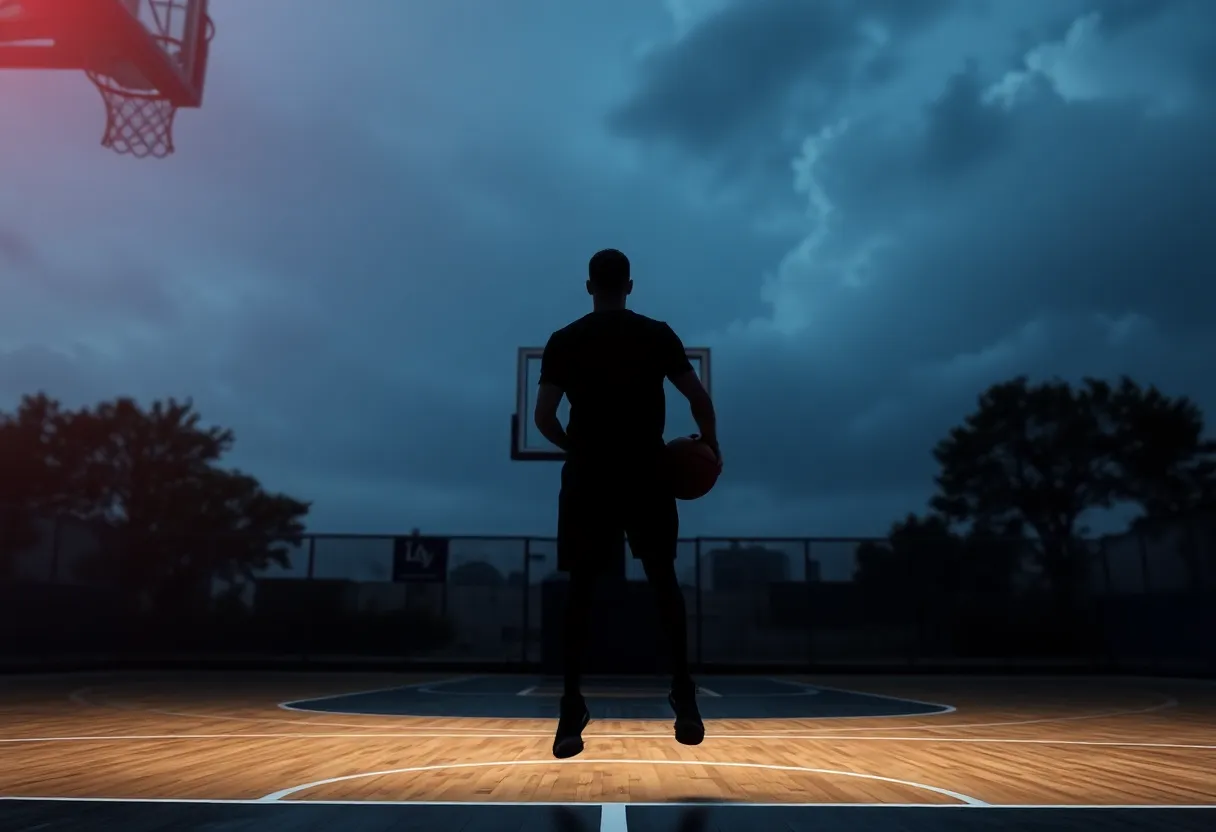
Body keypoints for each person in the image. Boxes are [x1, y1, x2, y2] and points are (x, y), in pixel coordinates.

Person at [533, 248, 722, 759]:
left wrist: (575, 447)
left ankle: (571, 709)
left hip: (589, 474)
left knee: (580, 592)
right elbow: (698, 400)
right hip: (647, 471)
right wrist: (710, 444)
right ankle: (684, 697)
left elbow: (544, 416)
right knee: (663, 582)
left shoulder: (564, 341)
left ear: (589, 285)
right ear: (630, 286)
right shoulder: (656, 333)